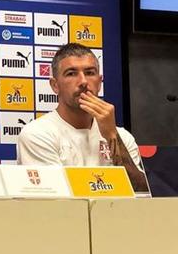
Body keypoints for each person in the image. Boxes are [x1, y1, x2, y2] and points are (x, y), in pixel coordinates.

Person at [16, 43, 149, 192]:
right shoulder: (37, 133)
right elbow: (55, 196)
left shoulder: (122, 137)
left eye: (90, 73)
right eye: (71, 74)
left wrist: (112, 135)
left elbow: (142, 192)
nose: (83, 81)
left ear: (99, 82)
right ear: (55, 85)